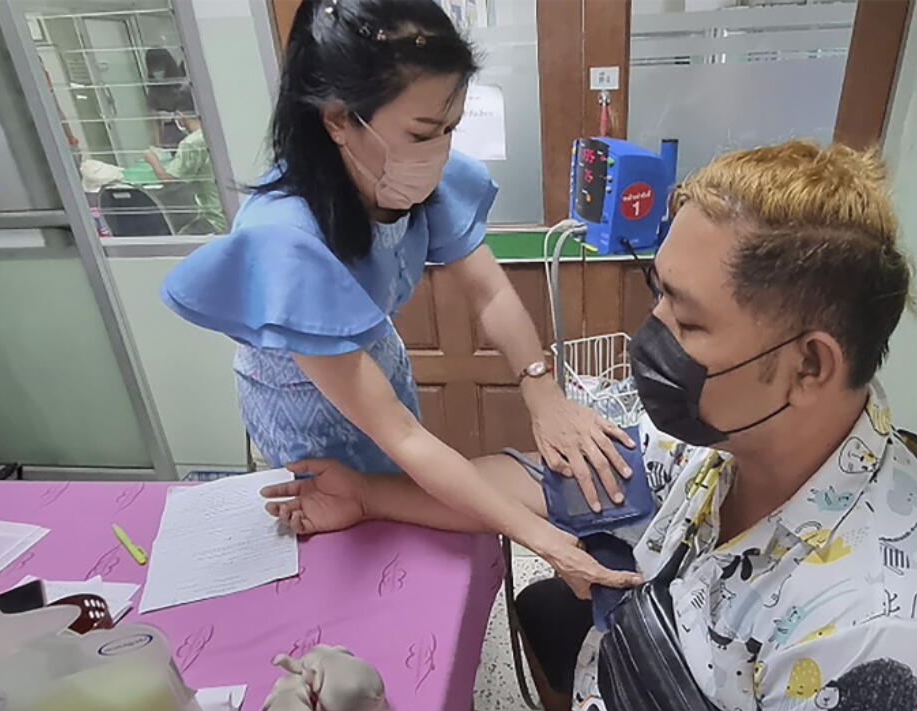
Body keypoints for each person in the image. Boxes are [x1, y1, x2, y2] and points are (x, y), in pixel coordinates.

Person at [261, 140, 917, 711]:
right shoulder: (726, 438)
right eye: (657, 291)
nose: (653, 335)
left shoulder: (898, 644)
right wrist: (368, 496)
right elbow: (548, 477)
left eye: (688, 322)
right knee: (544, 606)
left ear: (809, 364)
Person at [160, 0, 638, 596]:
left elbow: (489, 291)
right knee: (348, 552)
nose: (439, 149)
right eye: (422, 132)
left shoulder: (414, 177)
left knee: (404, 505)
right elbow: (402, 437)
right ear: (338, 119)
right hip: (303, 402)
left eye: (450, 128)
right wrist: (543, 540)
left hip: (375, 362)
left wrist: (544, 393)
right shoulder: (284, 242)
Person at [142, 86, 226, 234]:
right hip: (232, 211)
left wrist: (152, 159)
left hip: (216, 219)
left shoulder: (192, 143)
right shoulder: (217, 131)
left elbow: (168, 180)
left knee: (182, 239)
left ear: (180, 115)